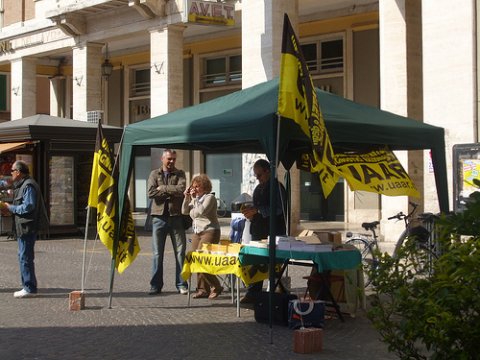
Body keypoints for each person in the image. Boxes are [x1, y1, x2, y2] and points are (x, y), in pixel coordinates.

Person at [240, 159, 287, 304]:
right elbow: (257, 207)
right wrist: (251, 212)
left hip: (273, 229)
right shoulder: (258, 188)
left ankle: (276, 290)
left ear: (268, 171)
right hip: (258, 229)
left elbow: (279, 209)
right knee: (256, 261)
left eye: (259, 175)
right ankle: (253, 291)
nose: (257, 178)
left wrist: (258, 210)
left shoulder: (278, 188)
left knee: (274, 263)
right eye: (256, 176)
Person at [0, 160, 49, 299]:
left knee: (25, 257)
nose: (11, 173)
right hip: (24, 226)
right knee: (23, 256)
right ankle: (27, 286)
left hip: (28, 226)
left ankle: (29, 287)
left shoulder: (28, 185)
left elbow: (28, 206)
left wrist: (9, 207)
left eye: (12, 171)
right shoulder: (23, 184)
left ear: (19, 172)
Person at [147, 149, 188, 295]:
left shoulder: (180, 174)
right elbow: (151, 193)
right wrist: (172, 191)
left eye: (173, 159)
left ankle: (182, 284)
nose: (171, 162)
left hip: (176, 216)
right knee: (158, 254)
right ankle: (155, 285)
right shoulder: (154, 174)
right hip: (159, 217)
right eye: (169, 159)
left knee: (180, 252)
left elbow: (182, 189)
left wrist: (162, 188)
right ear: (162, 159)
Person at [182, 174, 223, 299]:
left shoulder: (209, 198)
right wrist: (186, 197)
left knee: (202, 258)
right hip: (197, 232)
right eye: (193, 186)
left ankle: (216, 285)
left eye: (198, 187)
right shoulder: (196, 199)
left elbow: (199, 212)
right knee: (195, 259)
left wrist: (194, 200)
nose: (195, 189)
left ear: (205, 187)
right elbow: (184, 211)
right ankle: (202, 289)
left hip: (210, 231)